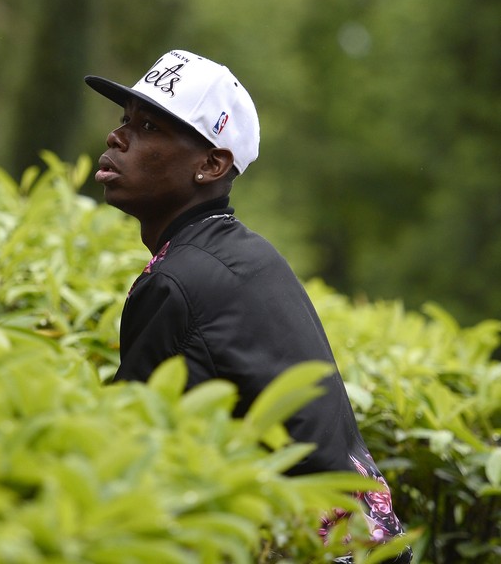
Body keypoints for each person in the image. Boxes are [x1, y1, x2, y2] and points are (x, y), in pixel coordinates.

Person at [84, 49, 411, 563]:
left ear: (212, 164)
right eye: (125, 120)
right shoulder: (246, 255)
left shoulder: (176, 282)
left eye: (148, 126)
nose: (116, 137)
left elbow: (125, 459)